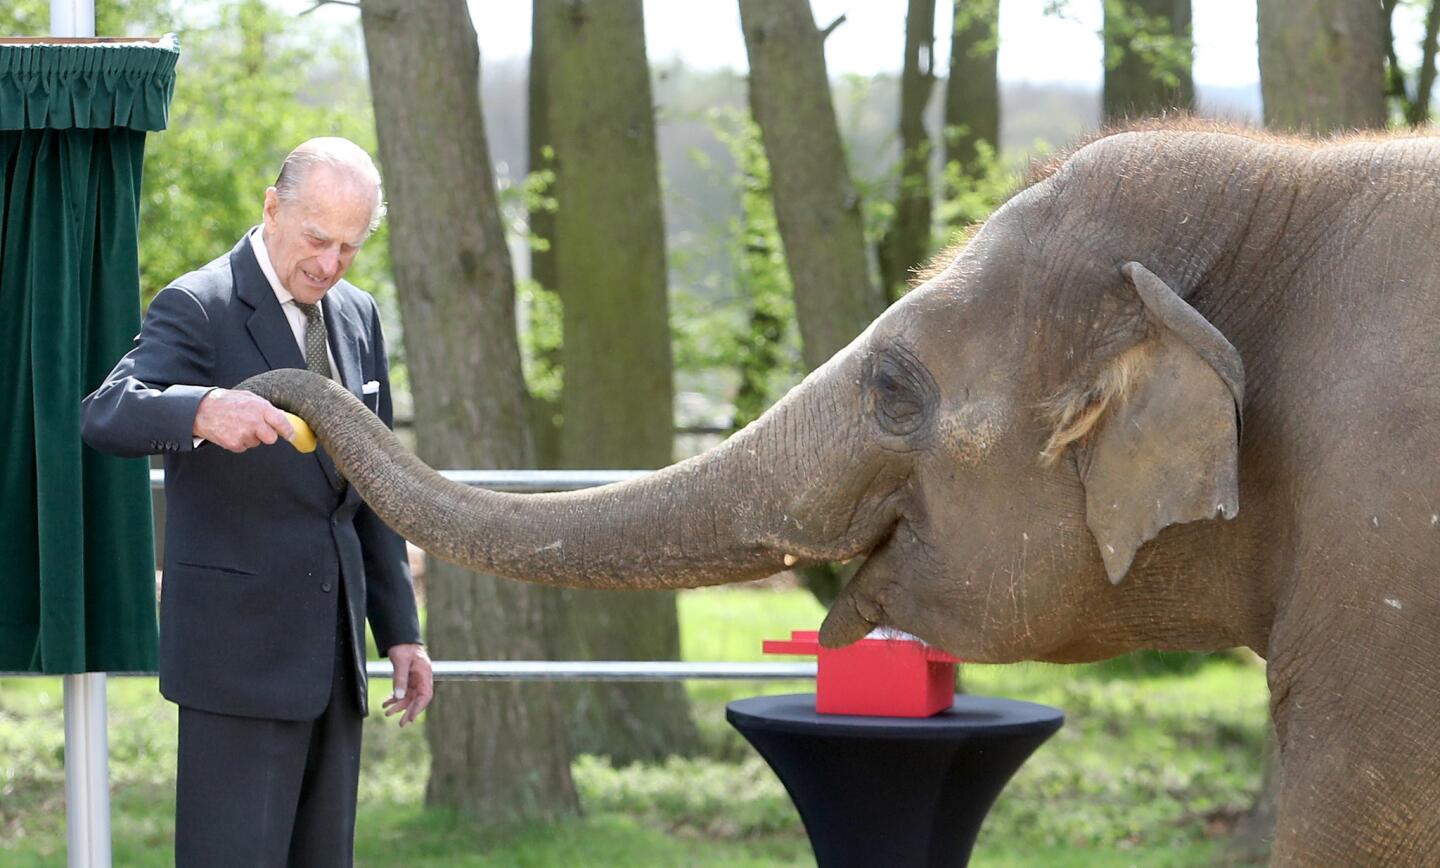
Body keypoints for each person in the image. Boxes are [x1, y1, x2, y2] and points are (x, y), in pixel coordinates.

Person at [82, 137, 432, 866]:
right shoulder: (199, 303)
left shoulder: (360, 315)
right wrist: (201, 410)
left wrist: (401, 632)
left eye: (350, 247)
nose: (330, 265)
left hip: (336, 665)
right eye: (316, 239)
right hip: (235, 666)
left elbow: (372, 486)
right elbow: (107, 412)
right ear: (272, 208)